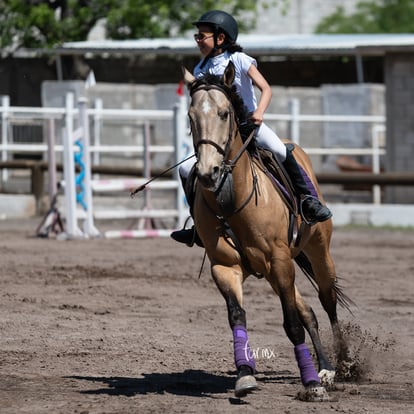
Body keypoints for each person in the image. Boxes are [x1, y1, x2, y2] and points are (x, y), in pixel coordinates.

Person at [171, 10, 332, 246]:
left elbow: (266, 88)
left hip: (249, 125)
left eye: (201, 36)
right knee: (186, 168)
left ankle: (308, 200)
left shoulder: (239, 60)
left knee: (280, 150)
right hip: (219, 134)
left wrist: (258, 113)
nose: (197, 40)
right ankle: (198, 224)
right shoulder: (199, 69)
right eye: (196, 36)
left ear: (220, 38)